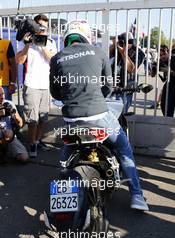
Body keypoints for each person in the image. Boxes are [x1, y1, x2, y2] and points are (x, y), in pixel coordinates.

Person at [50, 20, 149, 211]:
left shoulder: (57, 58)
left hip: (71, 119)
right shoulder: (99, 53)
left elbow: (56, 93)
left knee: (66, 155)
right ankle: (137, 195)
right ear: (86, 36)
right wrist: (96, 98)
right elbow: (108, 87)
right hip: (98, 115)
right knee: (123, 149)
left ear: (67, 38)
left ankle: (63, 185)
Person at [16, 14, 57, 158]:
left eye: (44, 28)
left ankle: (38, 141)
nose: (42, 30)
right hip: (31, 84)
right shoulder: (25, 40)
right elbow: (20, 60)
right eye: (39, 26)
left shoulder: (50, 42)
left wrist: (42, 44)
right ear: (34, 26)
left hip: (45, 85)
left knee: (43, 117)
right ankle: (32, 143)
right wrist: (28, 44)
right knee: (32, 120)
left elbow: (53, 60)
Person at [109, 32, 145, 113]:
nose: (126, 44)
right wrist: (114, 45)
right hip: (113, 88)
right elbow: (105, 55)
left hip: (126, 90)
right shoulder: (117, 48)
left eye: (128, 41)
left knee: (121, 115)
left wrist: (123, 53)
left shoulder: (138, 52)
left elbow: (131, 69)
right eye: (123, 41)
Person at [0, 86, 28, 164]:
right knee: (7, 133)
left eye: (3, 94)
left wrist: (14, 115)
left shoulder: (9, 103)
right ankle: (2, 153)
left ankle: (6, 151)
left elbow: (21, 124)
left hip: (10, 137)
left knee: (24, 158)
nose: (2, 97)